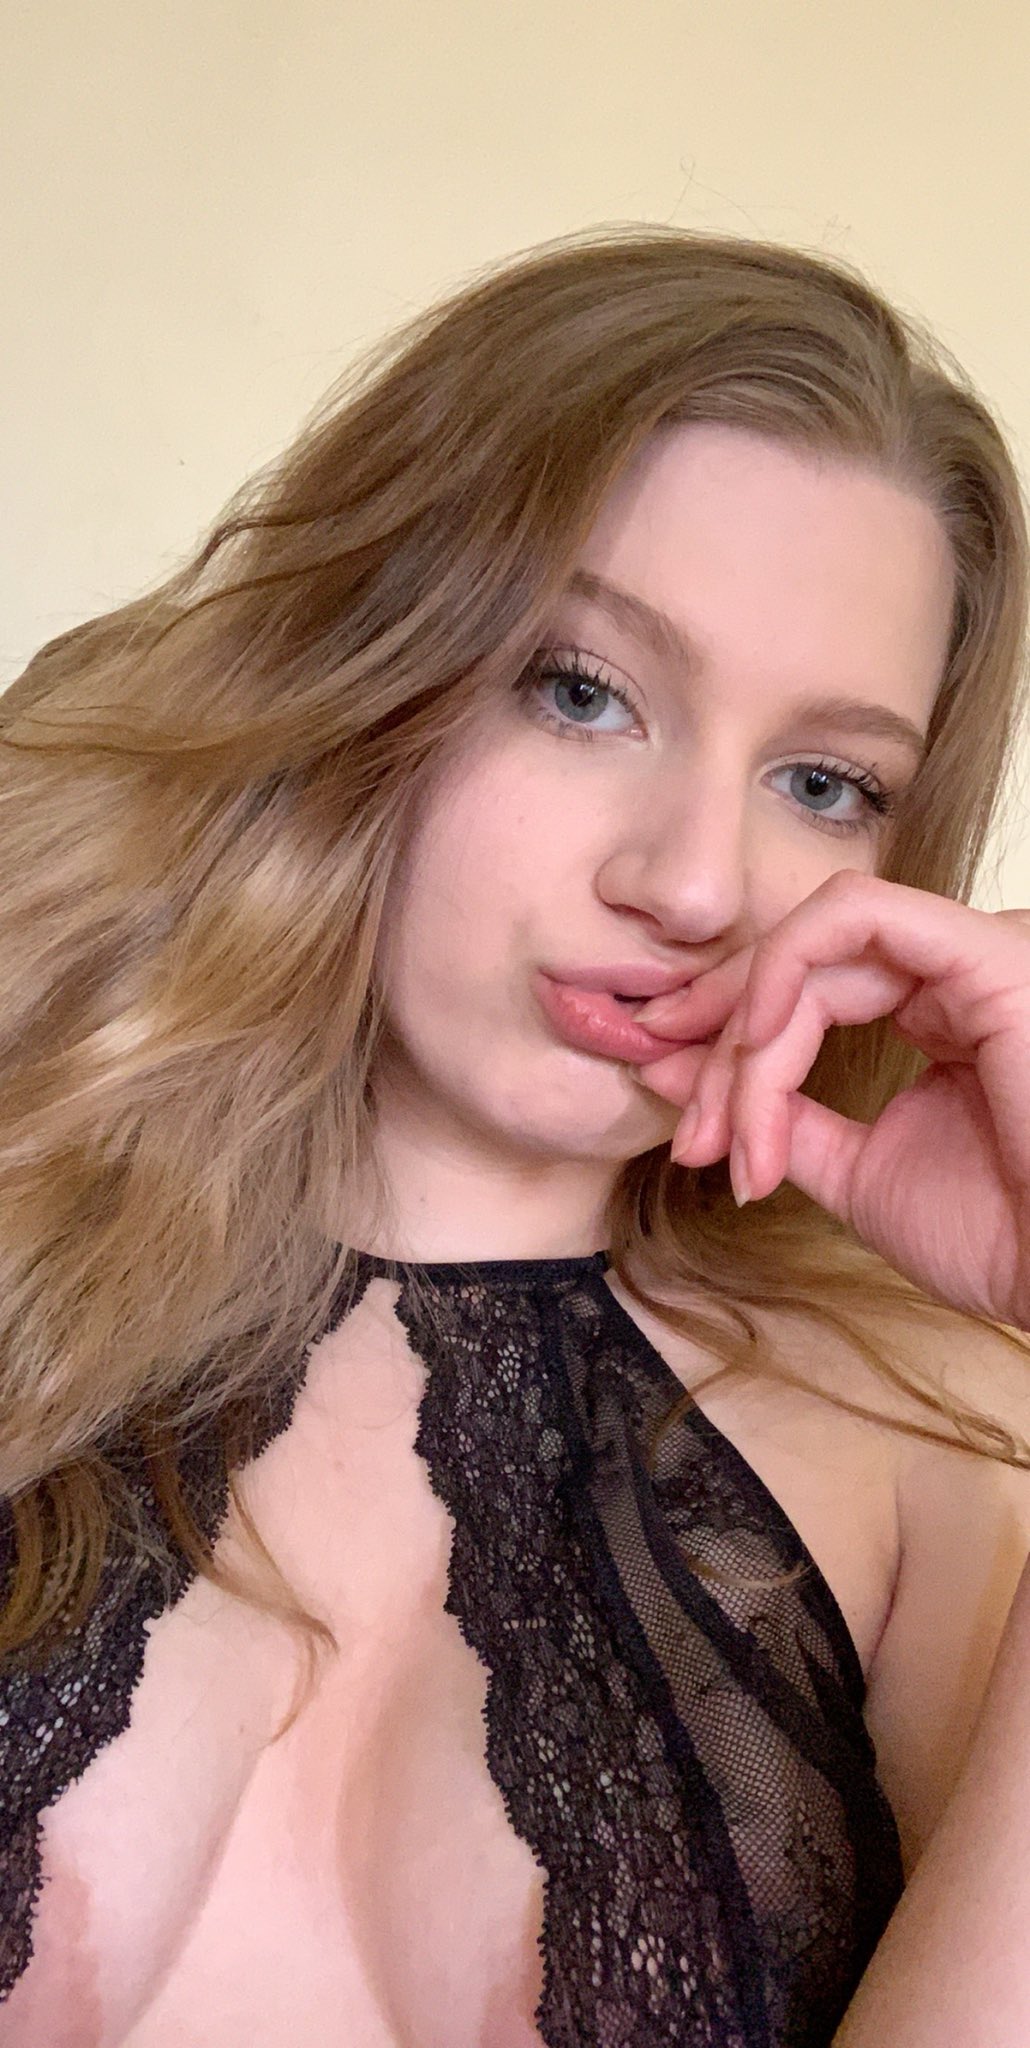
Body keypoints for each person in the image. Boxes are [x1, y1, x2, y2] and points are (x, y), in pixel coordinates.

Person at [0, 225, 1029, 2048]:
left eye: (822, 784)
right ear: (371, 666)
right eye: (580, 689)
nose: (694, 884)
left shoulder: (937, 1472)